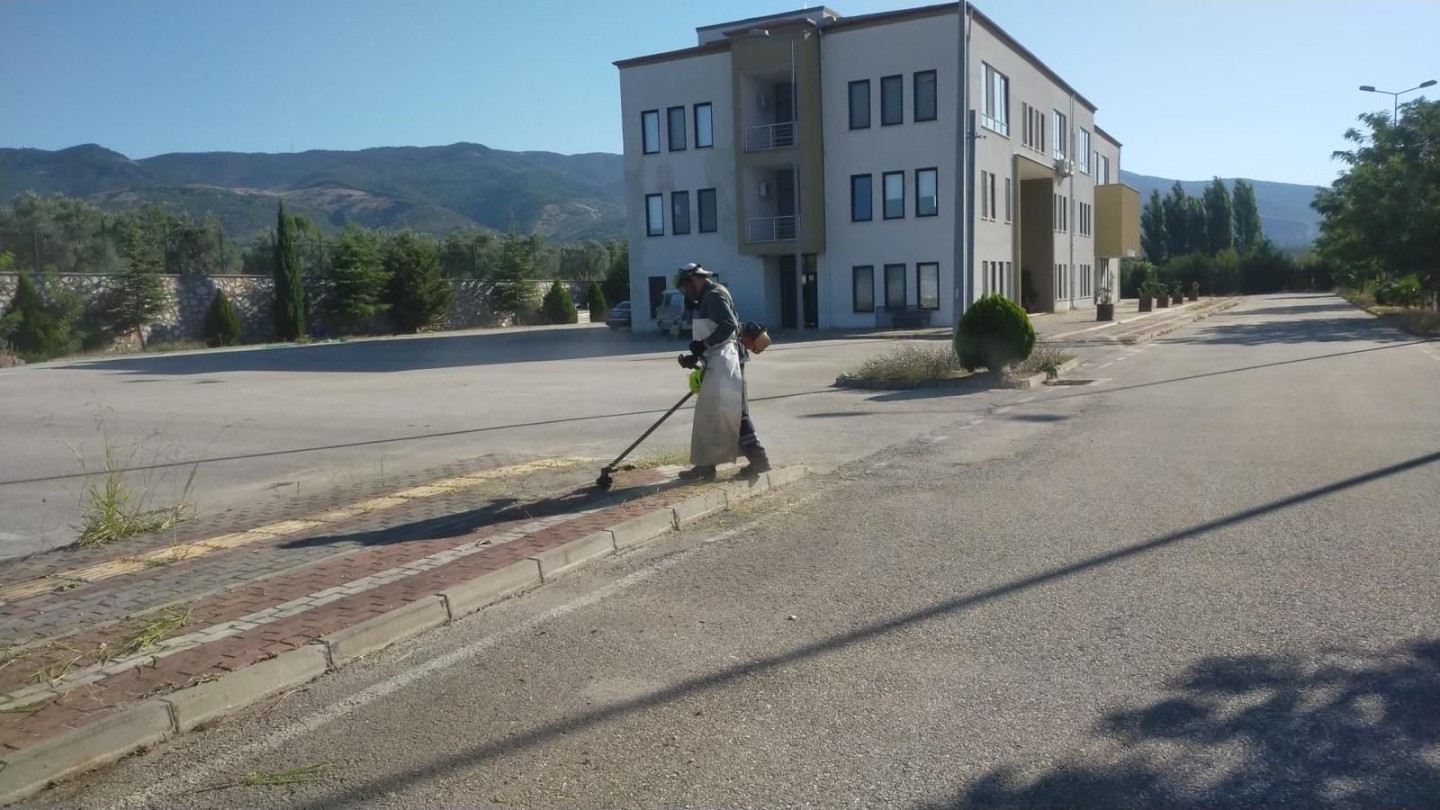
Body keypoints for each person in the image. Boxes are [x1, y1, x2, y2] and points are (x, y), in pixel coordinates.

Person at [674, 262, 770, 482]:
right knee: (712, 414)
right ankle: (706, 467)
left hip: (729, 361)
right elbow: (715, 332)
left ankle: (759, 460)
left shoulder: (715, 295)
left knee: (733, 411)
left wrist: (703, 345)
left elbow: (728, 325)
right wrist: (695, 356)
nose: (686, 292)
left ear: (695, 279)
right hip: (719, 360)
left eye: (686, 287)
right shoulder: (709, 294)